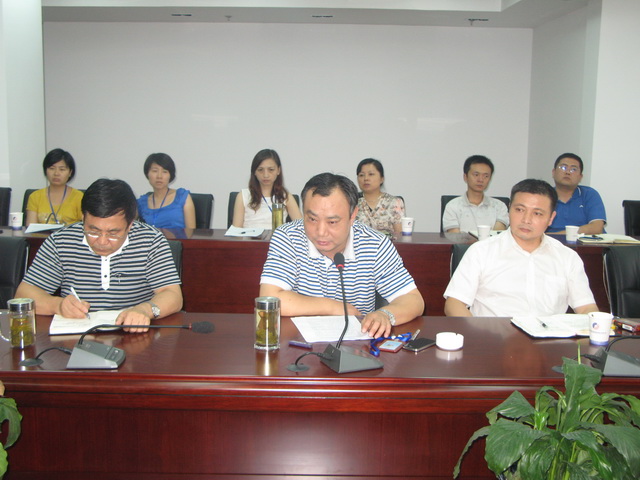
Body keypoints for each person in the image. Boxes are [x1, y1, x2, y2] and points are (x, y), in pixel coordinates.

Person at [259, 172, 424, 338]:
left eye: (332, 222)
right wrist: (335, 307)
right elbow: (270, 298)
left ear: (352, 216)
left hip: (356, 346)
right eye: (312, 219)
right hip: (298, 343)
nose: (321, 232)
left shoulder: (375, 244)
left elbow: (413, 300)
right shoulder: (287, 237)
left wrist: (385, 314)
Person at [16, 178, 183, 331]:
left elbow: (173, 295)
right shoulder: (60, 241)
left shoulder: (151, 240)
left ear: (130, 224)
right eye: (93, 231)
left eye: (113, 233)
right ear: (83, 218)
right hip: (77, 337)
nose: (102, 241)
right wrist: (57, 305)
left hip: (133, 334)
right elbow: (24, 295)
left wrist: (145, 310)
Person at [443, 179, 598, 317]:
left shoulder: (567, 257)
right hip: (494, 336)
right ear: (509, 209)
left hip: (548, 338)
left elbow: (586, 307)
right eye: (519, 210)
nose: (526, 220)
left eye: (537, 213)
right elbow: (454, 304)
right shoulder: (481, 252)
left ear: (551, 218)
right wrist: (478, 335)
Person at [232, 149, 302, 229]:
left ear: (278, 170)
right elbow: (236, 231)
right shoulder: (243, 196)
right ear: (254, 172)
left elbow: (301, 227)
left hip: (277, 237)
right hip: (249, 237)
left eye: (271, 170)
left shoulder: (285, 196)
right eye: (260, 170)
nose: (266, 175)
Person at [442, 155, 508, 233]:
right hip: (463, 242)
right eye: (476, 175)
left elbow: (497, 236)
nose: (481, 180)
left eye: (486, 176)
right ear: (465, 177)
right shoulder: (452, 206)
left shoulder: (500, 207)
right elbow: (455, 237)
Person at [546, 153, 606, 234]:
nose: (568, 172)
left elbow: (596, 228)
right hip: (550, 242)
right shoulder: (545, 196)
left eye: (573, 169)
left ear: (580, 177)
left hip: (586, 241)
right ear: (553, 172)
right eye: (563, 167)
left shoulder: (589, 194)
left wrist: (556, 236)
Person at [26, 148, 84, 226]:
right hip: (41, 234)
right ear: (45, 170)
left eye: (62, 169)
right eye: (52, 168)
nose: (56, 173)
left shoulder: (79, 197)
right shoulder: (35, 197)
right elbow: (30, 228)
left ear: (70, 172)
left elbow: (85, 226)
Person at [137, 153, 196, 229]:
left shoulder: (182, 197)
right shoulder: (142, 202)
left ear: (170, 175)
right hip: (151, 237)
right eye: (155, 171)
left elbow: (191, 232)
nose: (159, 176)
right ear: (147, 174)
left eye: (164, 171)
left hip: (177, 237)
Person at [355, 158, 405, 237]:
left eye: (371, 174)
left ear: (382, 179)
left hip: (388, 244)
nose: (366, 178)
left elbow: (400, 235)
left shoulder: (394, 202)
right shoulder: (352, 202)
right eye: (361, 175)